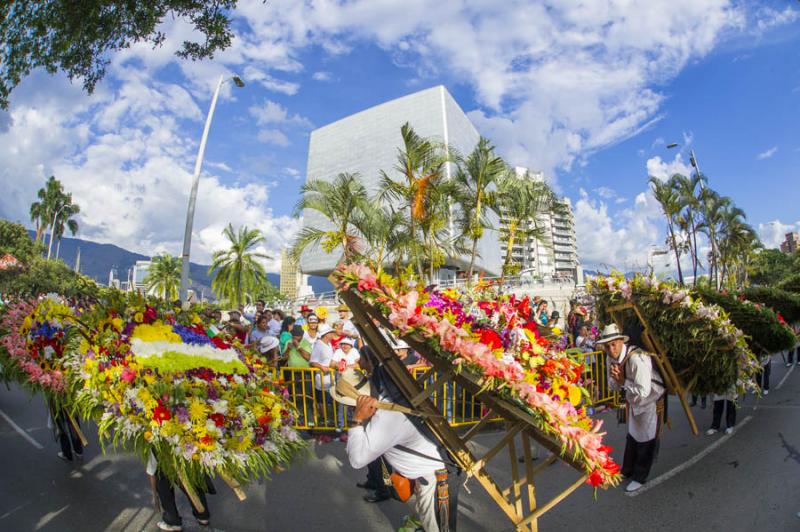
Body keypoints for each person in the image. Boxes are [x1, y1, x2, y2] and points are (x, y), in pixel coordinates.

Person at [599, 323, 665, 493]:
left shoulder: (637, 358)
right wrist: (616, 380)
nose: (610, 349)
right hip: (633, 399)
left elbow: (644, 391)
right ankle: (627, 470)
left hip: (649, 399)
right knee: (633, 433)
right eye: (607, 346)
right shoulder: (609, 358)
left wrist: (623, 382)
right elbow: (612, 386)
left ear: (621, 341)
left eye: (613, 344)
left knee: (646, 436)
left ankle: (640, 476)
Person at [147, 452, 212, 531]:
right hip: (184, 458)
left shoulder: (154, 445)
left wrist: (155, 495)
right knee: (192, 481)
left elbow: (151, 472)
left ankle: (172, 521)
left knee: (159, 475)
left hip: (170, 464)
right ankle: (203, 516)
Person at [310, 324, 339, 433]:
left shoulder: (329, 344)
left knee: (331, 399)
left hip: (331, 378)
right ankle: (325, 420)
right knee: (322, 400)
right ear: (326, 335)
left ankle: (331, 420)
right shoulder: (318, 345)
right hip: (322, 378)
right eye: (331, 332)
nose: (333, 334)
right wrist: (321, 366)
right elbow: (312, 361)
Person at [332, 337, 361, 438]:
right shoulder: (338, 351)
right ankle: (341, 424)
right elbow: (332, 363)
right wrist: (338, 365)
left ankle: (353, 423)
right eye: (343, 344)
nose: (344, 346)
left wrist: (348, 366)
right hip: (342, 381)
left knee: (354, 402)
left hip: (353, 381)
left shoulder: (354, 351)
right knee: (342, 402)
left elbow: (359, 363)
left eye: (347, 344)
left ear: (351, 345)